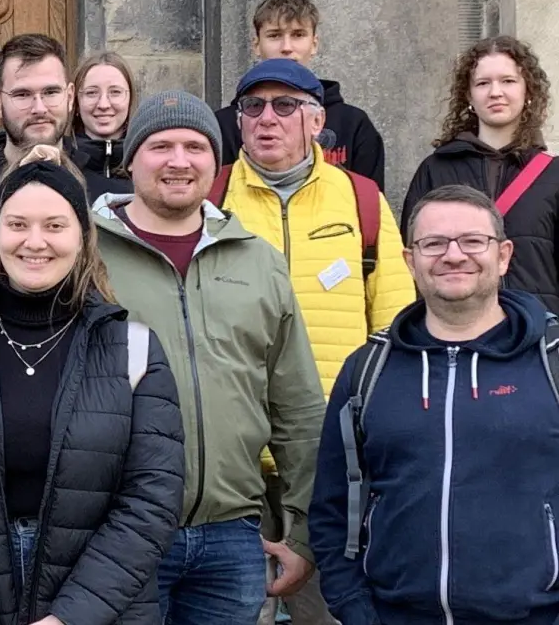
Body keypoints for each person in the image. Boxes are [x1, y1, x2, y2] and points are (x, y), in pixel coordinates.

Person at [0, 159, 186, 624]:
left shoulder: (132, 349)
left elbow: (151, 499)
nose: (35, 242)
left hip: (102, 609)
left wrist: (68, 619)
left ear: (82, 236)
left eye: (54, 225)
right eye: (17, 224)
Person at [91, 90, 326, 624]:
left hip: (233, 538)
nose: (179, 161)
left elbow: (298, 409)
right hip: (116, 535)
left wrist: (303, 533)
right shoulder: (84, 255)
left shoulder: (258, 260)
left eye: (195, 146)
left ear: (215, 160)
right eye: (160, 145)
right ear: (131, 159)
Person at [211, 58, 414, 625]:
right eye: (252, 107)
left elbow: (397, 328)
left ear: (316, 118)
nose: (266, 120)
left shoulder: (362, 200)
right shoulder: (213, 195)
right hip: (234, 457)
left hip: (333, 457)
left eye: (284, 106)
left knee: (324, 613)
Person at [310, 185, 559, 625]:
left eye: (472, 241)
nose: (453, 255)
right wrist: (355, 608)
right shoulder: (368, 369)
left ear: (502, 255)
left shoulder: (552, 360)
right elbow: (332, 504)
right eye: (434, 243)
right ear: (410, 261)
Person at [403, 35, 559, 312]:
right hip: (455, 330)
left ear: (528, 91)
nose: (495, 92)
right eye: (483, 83)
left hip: (539, 335)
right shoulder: (435, 169)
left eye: (508, 81)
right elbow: (415, 261)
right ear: (469, 95)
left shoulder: (553, 175)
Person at [215, 0, 386, 190]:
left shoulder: (354, 124)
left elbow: (370, 202)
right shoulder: (223, 126)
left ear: (313, 44)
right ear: (256, 45)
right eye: (275, 35)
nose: (287, 47)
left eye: (298, 35)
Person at [0, 33, 123, 200]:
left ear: (70, 97)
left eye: (51, 92)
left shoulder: (106, 199)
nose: (39, 108)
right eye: (22, 94)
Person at [71, 49, 137, 194]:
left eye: (115, 92)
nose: (103, 105)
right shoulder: (60, 166)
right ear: (76, 101)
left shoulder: (148, 165)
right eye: (91, 93)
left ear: (130, 99)